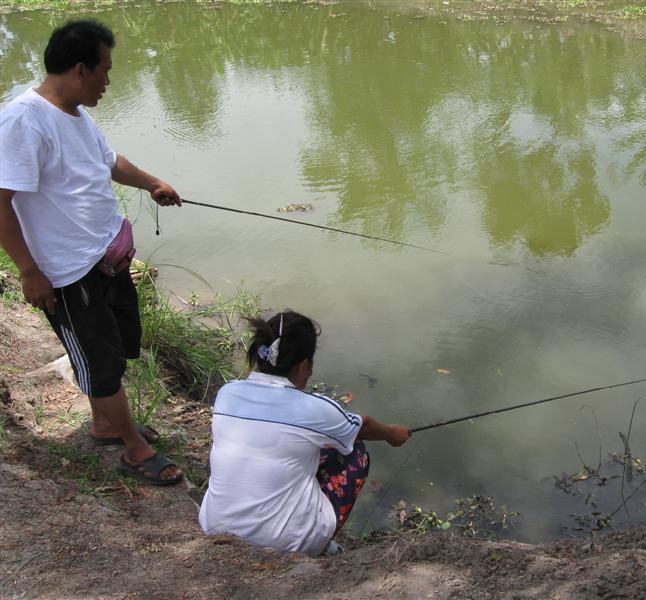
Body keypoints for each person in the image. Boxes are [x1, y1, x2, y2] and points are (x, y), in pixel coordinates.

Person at [0, 20, 183, 485]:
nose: (108, 80)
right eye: (104, 69)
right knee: (99, 363)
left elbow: (109, 160)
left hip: (105, 258)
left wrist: (152, 183)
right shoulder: (23, 121)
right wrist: (28, 271)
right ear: (80, 69)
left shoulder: (76, 114)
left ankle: (105, 424)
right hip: (67, 274)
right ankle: (134, 450)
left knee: (118, 347)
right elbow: (0, 202)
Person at [198, 311, 411, 556]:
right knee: (356, 452)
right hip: (286, 544)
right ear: (303, 366)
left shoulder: (227, 393)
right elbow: (363, 427)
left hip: (214, 527)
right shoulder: (315, 409)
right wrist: (393, 433)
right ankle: (318, 541)